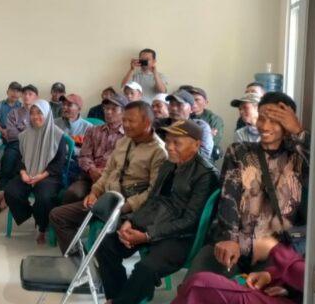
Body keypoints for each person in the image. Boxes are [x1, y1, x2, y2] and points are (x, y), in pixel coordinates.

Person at [186, 92, 308, 282]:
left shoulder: (299, 157)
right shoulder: (239, 151)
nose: (265, 126)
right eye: (262, 118)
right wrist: (229, 238)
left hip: (275, 249)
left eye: (275, 121)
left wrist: (299, 131)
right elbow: (229, 198)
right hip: (235, 242)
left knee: (255, 291)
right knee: (196, 284)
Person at [95, 120, 218, 304]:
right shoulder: (168, 164)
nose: (169, 147)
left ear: (196, 145)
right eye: (168, 141)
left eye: (177, 143)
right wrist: (130, 220)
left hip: (180, 235)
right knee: (106, 246)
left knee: (146, 268)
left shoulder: (206, 175)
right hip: (153, 221)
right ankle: (117, 297)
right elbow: (152, 199)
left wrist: (147, 236)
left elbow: (190, 221)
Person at [49, 101, 167, 254]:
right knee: (58, 215)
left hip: (130, 208)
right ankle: (78, 257)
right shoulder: (124, 141)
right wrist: (95, 193)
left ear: (147, 123)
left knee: (106, 248)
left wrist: (126, 206)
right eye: (124, 120)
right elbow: (109, 172)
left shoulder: (159, 152)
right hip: (108, 199)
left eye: (131, 121)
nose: (126, 125)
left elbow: (153, 192)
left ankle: (97, 262)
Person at [4, 100, 67, 245]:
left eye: (39, 113)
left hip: (49, 175)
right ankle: (32, 214)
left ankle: (42, 227)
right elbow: (20, 158)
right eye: (32, 113)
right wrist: (23, 173)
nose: (35, 116)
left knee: (44, 197)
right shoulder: (25, 135)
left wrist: (41, 176)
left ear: (47, 114)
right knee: (11, 192)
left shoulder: (58, 135)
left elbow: (59, 163)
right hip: (28, 173)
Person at [174, 236, 304, 303]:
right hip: (288, 282)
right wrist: (271, 275)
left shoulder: (294, 193)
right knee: (197, 283)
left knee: (199, 285)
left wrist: (275, 249)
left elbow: (311, 277)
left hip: (279, 262)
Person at [60, 93, 128, 204]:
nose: (108, 112)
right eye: (106, 108)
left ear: (124, 112)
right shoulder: (93, 130)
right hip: (88, 177)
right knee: (72, 193)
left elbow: (126, 162)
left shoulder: (128, 135)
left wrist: (104, 173)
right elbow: (84, 156)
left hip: (114, 180)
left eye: (114, 109)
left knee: (106, 202)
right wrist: (92, 170)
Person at [0, 84, 38, 211]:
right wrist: (28, 132)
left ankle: (9, 194)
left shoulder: (40, 113)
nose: (27, 96)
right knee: (8, 158)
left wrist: (23, 130)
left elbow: (40, 133)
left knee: (22, 162)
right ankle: (2, 191)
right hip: (16, 143)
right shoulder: (14, 113)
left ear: (36, 97)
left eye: (30, 94)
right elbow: (12, 133)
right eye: (25, 93)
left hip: (34, 146)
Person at [155, 90, 214, 159]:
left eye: (179, 104)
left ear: (191, 109)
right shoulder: (158, 124)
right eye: (171, 104)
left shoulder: (201, 127)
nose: (174, 108)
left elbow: (204, 155)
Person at [187, 87, 225, 153]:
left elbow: (212, 142)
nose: (192, 102)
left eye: (197, 100)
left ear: (206, 103)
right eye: (190, 99)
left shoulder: (215, 119)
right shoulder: (183, 115)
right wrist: (206, 133)